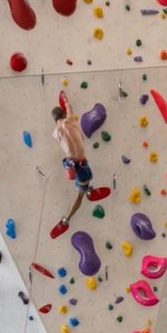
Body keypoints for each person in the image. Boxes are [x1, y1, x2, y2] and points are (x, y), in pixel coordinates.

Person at [48, 94, 107, 237]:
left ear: (55, 119)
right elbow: (69, 107)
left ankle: (87, 188)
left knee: (84, 179)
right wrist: (65, 99)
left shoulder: (56, 132)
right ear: (63, 113)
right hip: (80, 165)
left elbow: (61, 138)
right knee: (79, 195)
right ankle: (67, 218)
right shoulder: (72, 120)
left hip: (71, 164)